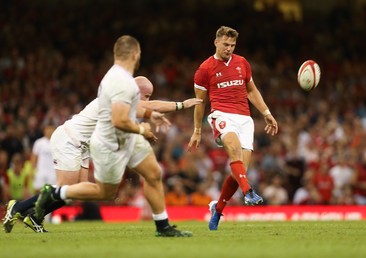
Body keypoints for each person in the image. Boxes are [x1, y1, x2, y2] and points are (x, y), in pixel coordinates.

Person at [3, 73, 201, 235]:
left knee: (74, 192)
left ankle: (35, 216)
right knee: (66, 187)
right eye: (146, 95)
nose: (147, 100)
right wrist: (181, 105)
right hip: (69, 139)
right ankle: (18, 207)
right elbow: (149, 107)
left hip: (83, 145)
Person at [187, 26, 278, 230]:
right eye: (226, 44)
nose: (229, 48)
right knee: (234, 150)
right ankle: (249, 193)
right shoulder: (204, 69)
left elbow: (252, 90)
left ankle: (217, 209)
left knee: (240, 173)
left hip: (245, 119)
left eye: (232, 45)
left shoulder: (242, 63)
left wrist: (266, 113)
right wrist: (197, 130)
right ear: (216, 42)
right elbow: (199, 102)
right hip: (222, 115)